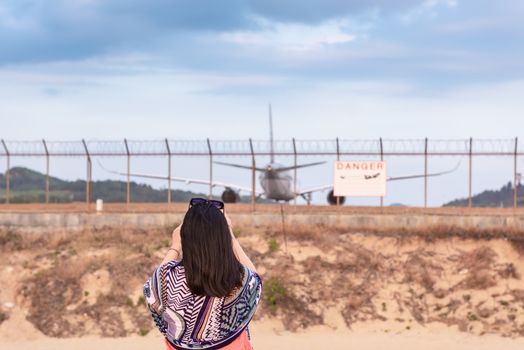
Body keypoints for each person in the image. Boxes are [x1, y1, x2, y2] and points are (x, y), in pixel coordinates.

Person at [143, 198, 262, 350]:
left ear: (184, 235)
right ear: (223, 238)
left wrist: (175, 246)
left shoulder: (169, 281)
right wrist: (230, 235)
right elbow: (254, 280)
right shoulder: (234, 280)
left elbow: (153, 287)